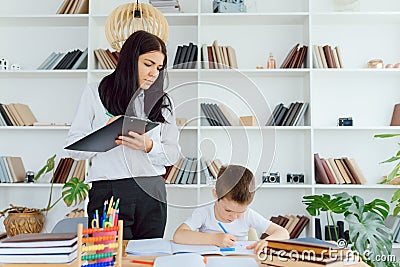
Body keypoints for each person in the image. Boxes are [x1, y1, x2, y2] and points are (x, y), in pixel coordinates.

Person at [65, 30, 180, 239]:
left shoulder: (163, 101)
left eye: (159, 67)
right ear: (129, 59)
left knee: (147, 258)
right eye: (148, 64)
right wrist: (104, 133)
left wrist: (149, 146)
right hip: (108, 190)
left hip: (151, 190)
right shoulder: (95, 92)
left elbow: (173, 154)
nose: (154, 73)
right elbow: (74, 148)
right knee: (108, 256)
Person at [173, 164, 289, 254]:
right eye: (228, 210)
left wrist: (267, 242)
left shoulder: (248, 215)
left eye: (240, 212)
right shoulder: (204, 213)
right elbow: (179, 235)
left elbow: (283, 232)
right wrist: (215, 239)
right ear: (216, 195)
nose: (233, 217)